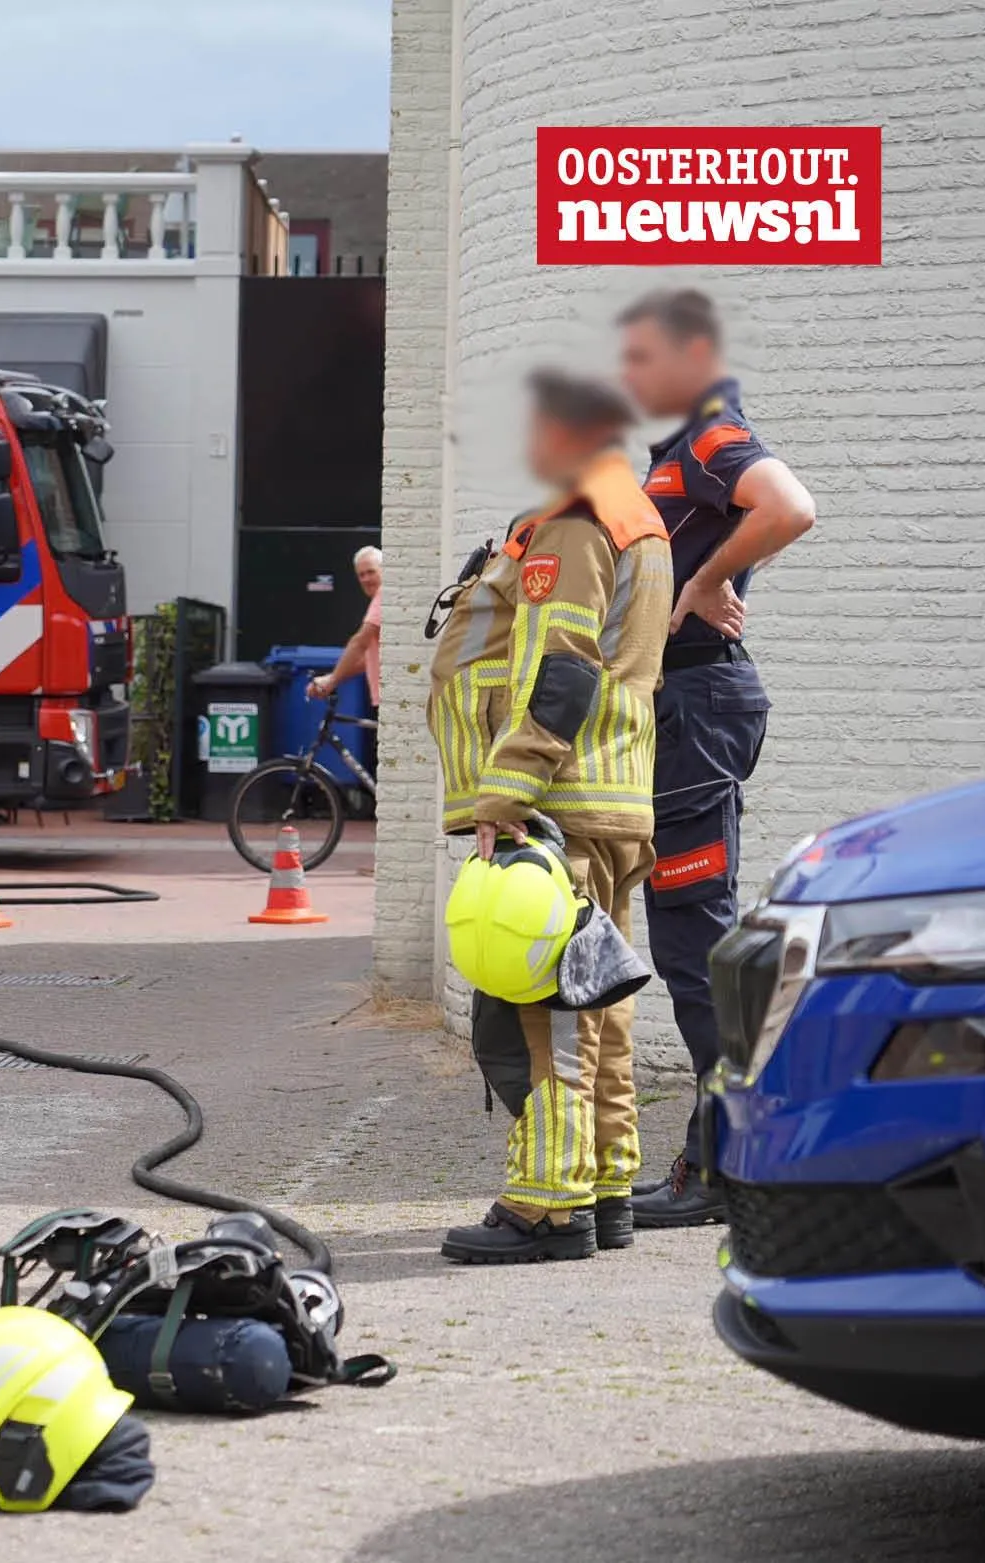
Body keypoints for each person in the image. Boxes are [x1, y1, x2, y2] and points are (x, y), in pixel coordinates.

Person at [427, 369, 672, 1264]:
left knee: (552, 1014)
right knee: (597, 1003)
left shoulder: (573, 523)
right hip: (607, 796)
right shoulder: (634, 515)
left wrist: (507, 788)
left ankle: (547, 1208)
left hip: (557, 801)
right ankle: (606, 1187)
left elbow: (558, 668)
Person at [615, 289, 815, 1230]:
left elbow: (790, 506)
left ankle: (727, 1167)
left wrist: (705, 580)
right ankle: (734, 1155)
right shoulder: (674, 451)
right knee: (697, 941)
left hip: (697, 705)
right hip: (683, 705)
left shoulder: (709, 435)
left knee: (696, 946)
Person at [309, 545, 384, 703]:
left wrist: (332, 681)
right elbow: (367, 660)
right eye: (361, 575)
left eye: (371, 572)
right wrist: (334, 677)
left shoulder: (384, 595)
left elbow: (360, 642)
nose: (365, 579)